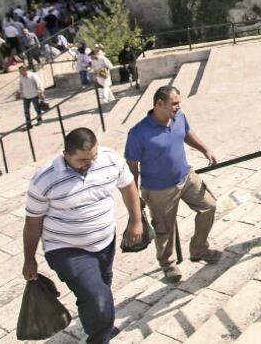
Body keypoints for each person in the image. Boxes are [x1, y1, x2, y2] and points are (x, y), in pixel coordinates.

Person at [23, 128, 143, 344]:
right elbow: (32, 223)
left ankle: (98, 322)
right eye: (82, 159)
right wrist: (29, 258)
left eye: (93, 157)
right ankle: (100, 338)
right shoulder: (45, 179)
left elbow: (128, 186)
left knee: (102, 287)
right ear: (66, 155)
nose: (90, 163)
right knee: (97, 295)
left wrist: (136, 221)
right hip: (65, 248)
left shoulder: (110, 160)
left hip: (105, 242)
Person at [125, 86, 219, 283]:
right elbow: (132, 169)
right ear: (159, 104)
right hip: (159, 190)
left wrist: (205, 149)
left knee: (209, 205)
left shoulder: (179, 116)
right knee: (164, 229)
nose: (178, 107)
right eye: (174, 103)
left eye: (179, 103)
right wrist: (136, 199)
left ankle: (199, 249)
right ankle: (168, 265)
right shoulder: (138, 133)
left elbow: (186, 134)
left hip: (186, 177)